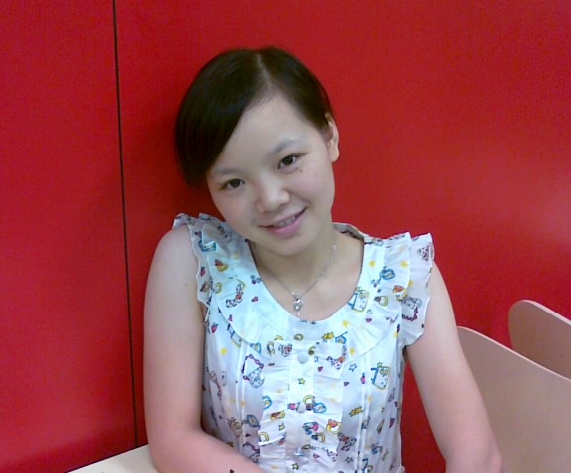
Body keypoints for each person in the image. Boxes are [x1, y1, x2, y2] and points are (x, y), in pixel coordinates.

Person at [143, 46, 502, 473]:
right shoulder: (194, 261)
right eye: (234, 183)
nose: (270, 199)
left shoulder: (403, 275)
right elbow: (172, 437)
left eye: (288, 161)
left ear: (330, 137)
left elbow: (477, 457)